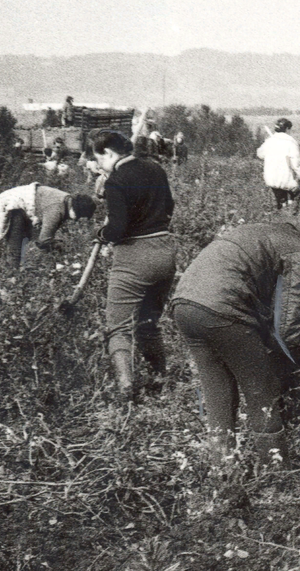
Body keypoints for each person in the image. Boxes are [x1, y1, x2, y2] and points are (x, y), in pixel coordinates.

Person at [172, 210, 300, 470]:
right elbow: (290, 328)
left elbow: (285, 317)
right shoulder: (299, 253)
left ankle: (223, 475)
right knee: (263, 391)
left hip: (186, 303)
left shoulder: (276, 234)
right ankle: (276, 477)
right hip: (224, 306)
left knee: (218, 391)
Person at [91, 130, 177, 403]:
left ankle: (126, 388)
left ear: (109, 153)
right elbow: (169, 207)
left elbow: (116, 229)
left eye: (98, 159)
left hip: (133, 258)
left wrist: (101, 234)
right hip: (164, 252)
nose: (98, 166)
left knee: (118, 327)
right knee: (148, 323)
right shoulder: (155, 168)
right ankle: (159, 380)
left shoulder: (116, 181)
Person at [0, 184, 96, 269]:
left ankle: (14, 270)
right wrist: (59, 248)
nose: (77, 220)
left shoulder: (67, 201)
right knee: (15, 245)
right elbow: (43, 240)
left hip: (23, 203)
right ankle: (10, 278)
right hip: (14, 206)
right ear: (76, 210)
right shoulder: (56, 210)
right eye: (80, 216)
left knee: (26, 239)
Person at [257, 118, 300, 213]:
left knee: (280, 200)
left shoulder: (269, 141)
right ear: (287, 129)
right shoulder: (290, 142)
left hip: (271, 178)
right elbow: (296, 162)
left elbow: (260, 154)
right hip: (285, 179)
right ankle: (292, 216)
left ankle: (281, 214)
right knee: (295, 195)